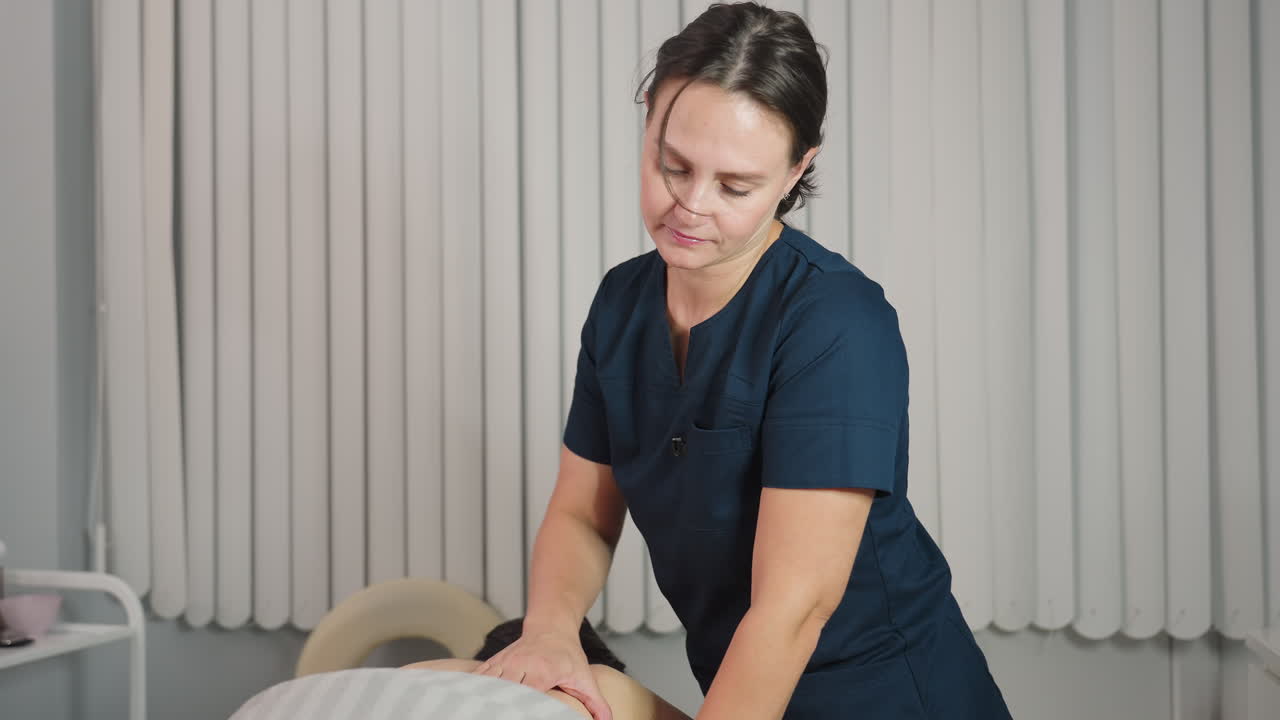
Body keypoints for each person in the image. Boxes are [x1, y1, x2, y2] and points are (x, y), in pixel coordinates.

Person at [472, 3, 1011, 718]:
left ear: (797, 171)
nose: (690, 206)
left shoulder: (837, 324)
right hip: (741, 690)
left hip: (889, 693)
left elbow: (792, 610)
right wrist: (549, 632)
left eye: (735, 187)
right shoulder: (622, 304)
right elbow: (581, 514)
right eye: (673, 165)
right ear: (647, 123)